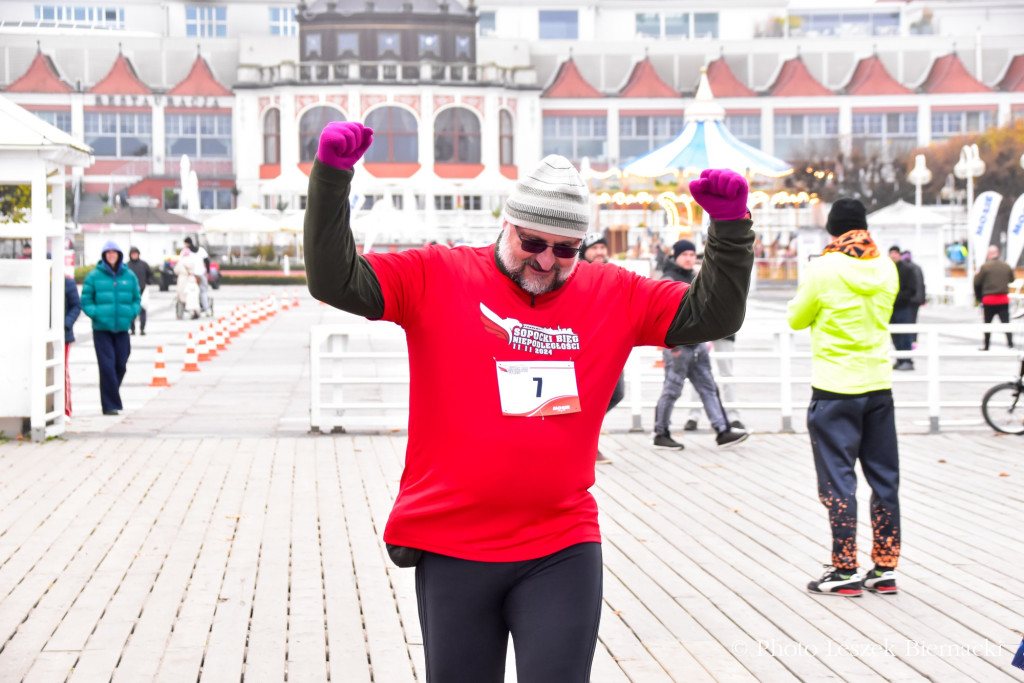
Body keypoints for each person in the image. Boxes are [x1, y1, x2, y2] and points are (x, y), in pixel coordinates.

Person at [304, 121, 754, 681]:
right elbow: (334, 280)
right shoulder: (438, 274)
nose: (546, 261)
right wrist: (331, 179)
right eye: (533, 243)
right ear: (507, 225)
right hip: (455, 546)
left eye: (565, 249)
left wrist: (731, 231)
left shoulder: (612, 291)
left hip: (559, 544)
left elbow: (712, 316)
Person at [787, 197, 900, 597]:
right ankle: (884, 567)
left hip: (834, 389)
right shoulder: (887, 266)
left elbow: (797, 317)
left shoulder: (823, 267)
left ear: (833, 230)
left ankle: (845, 568)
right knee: (884, 478)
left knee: (838, 483)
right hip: (878, 386)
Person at [652, 239, 749, 449]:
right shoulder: (669, 279)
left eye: (692, 255)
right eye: (685, 254)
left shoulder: (694, 277)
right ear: (675, 256)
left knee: (708, 387)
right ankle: (660, 432)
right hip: (677, 344)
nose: (689, 258)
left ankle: (723, 431)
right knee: (672, 388)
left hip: (697, 343)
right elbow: (665, 311)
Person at [81, 240, 141, 416]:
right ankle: (110, 405)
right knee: (106, 366)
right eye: (108, 253)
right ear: (104, 256)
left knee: (120, 364)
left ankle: (110, 394)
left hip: (122, 328)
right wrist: (96, 313)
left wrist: (131, 312)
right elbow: (85, 300)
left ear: (120, 255)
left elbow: (136, 298)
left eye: (114, 253)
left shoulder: (129, 276)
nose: (111, 256)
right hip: (102, 329)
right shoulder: (93, 276)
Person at [580, 231, 622, 464]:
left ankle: (581, 435)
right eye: (594, 248)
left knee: (617, 393)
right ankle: (586, 445)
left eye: (602, 248)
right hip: (585, 346)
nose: (599, 252)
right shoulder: (574, 274)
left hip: (612, 343)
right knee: (588, 398)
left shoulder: (614, 274)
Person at [974, 244, 1015, 350]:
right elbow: (1012, 279)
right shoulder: (1006, 266)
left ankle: (986, 345)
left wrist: (978, 298)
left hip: (989, 300)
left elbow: (977, 282)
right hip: (1003, 299)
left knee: (987, 324)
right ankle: (1010, 344)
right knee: (1006, 323)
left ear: (989, 254)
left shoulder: (985, 267)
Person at [888, 245, 919, 370]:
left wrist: (900, 297)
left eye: (895, 253)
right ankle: (900, 359)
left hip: (903, 306)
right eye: (891, 253)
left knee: (905, 334)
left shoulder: (907, 269)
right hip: (891, 307)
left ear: (899, 254)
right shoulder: (888, 269)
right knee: (895, 336)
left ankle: (907, 360)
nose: (893, 255)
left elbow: (912, 288)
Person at [126, 246, 156, 335]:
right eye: (132, 254)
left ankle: (142, 329)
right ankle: (132, 329)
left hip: (142, 290)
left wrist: (148, 281)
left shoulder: (144, 264)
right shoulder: (127, 266)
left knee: (143, 310)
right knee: (131, 311)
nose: (134, 255)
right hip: (130, 291)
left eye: (136, 253)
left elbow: (150, 274)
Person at [64, 272, 82, 419]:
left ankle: (66, 408)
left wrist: (66, 324)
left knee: (62, 370)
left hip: (63, 334)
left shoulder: (67, 283)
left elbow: (76, 306)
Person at [900, 250, 926, 347]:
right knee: (913, 320)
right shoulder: (917, 267)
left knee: (906, 321)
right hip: (917, 300)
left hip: (908, 299)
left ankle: (909, 341)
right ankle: (914, 341)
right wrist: (922, 299)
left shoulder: (905, 268)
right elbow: (922, 285)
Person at [181, 236, 210, 313]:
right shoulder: (201, 250)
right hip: (201, 274)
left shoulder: (185, 251)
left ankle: (191, 309)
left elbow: (181, 264)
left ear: (187, 243)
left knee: (189, 293)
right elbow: (207, 261)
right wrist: (208, 272)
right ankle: (207, 309)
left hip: (190, 276)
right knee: (203, 292)